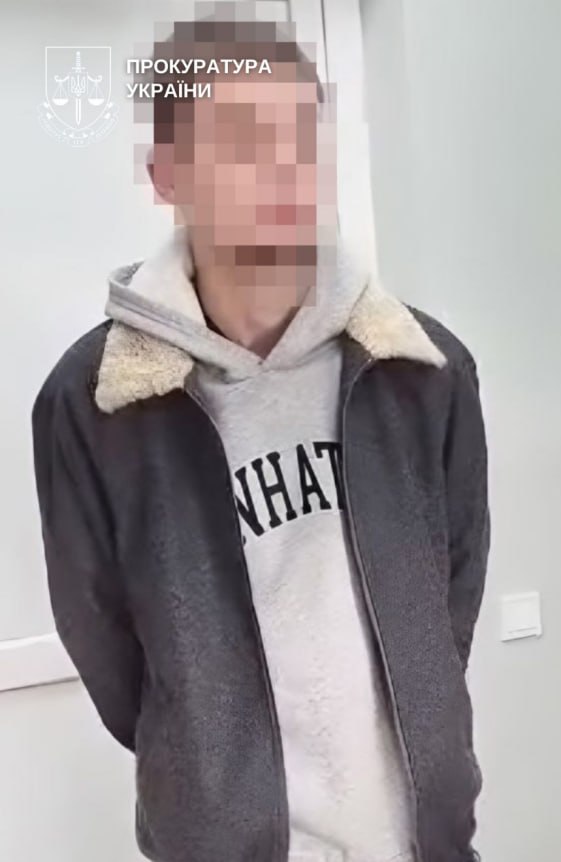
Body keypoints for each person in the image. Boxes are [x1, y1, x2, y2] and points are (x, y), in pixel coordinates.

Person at [31, 12, 487, 862]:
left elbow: (450, 593)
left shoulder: (424, 371)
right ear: (167, 174)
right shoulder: (95, 402)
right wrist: (205, 769)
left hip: (421, 843)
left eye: (300, 136)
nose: (283, 166)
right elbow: (104, 641)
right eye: (242, 138)